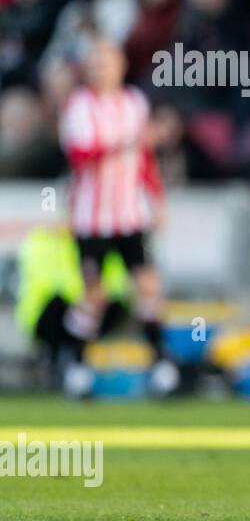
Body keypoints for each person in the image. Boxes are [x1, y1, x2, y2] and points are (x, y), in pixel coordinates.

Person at [57, 37, 178, 397]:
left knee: (149, 286)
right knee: (94, 294)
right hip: (91, 218)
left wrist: (156, 201)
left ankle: (161, 364)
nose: (102, 69)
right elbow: (80, 155)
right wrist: (128, 142)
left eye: (108, 62)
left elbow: (144, 161)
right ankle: (75, 363)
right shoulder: (78, 107)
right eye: (95, 63)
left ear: (121, 66)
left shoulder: (135, 103)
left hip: (129, 215)